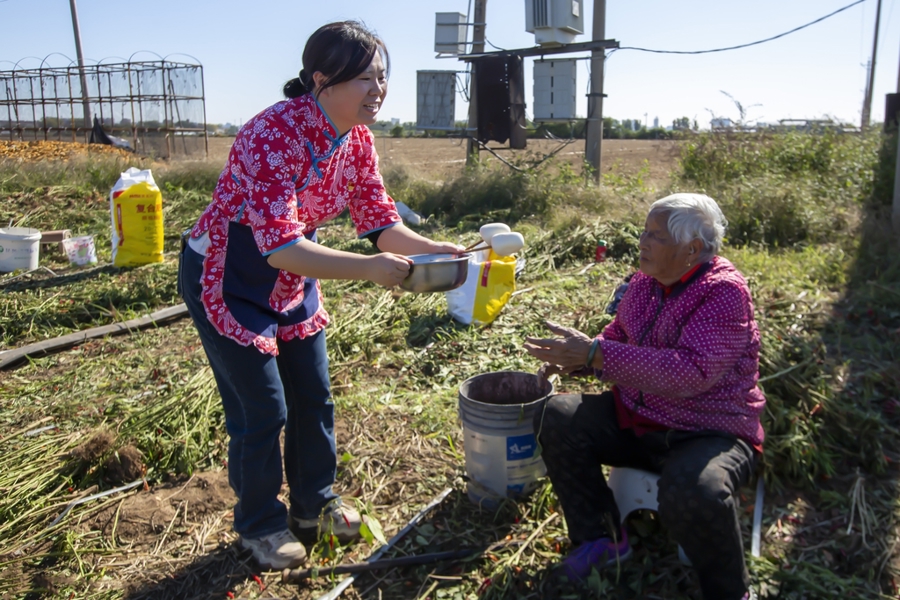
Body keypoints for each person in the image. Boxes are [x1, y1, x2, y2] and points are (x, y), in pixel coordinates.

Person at [178, 21, 460, 571]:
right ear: (322, 80)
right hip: (230, 272)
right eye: (365, 78)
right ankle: (260, 523)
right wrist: (370, 270)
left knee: (313, 393)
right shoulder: (273, 133)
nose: (378, 89)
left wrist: (434, 250)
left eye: (382, 77)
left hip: (293, 272)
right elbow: (280, 246)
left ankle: (314, 505)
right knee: (263, 408)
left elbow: (379, 221)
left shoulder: (357, 139)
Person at [524, 193, 764, 600]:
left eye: (656, 236)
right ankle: (600, 539)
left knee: (697, 491)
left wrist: (597, 354)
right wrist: (577, 359)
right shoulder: (644, 282)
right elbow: (618, 336)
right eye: (644, 232)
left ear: (692, 249)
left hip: (706, 431)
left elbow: (690, 373)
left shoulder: (723, 292)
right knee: (557, 416)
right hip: (639, 417)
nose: (643, 242)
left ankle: (729, 592)